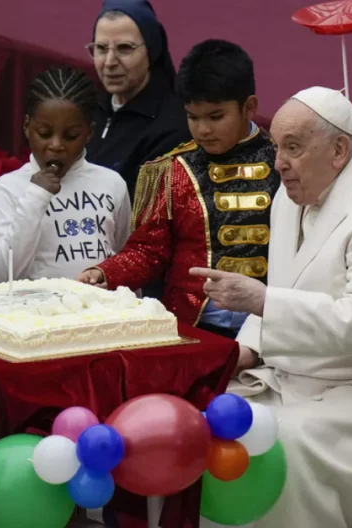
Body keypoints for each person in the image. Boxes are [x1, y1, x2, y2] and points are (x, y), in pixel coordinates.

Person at [190, 87, 352, 528]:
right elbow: (285, 288)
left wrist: (260, 301)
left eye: (292, 148)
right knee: (205, 421)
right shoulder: (289, 194)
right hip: (290, 373)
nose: (278, 164)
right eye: (276, 147)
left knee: (277, 444)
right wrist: (240, 352)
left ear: (338, 149)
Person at [78, 39, 280, 338]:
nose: (203, 129)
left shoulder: (283, 165)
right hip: (191, 326)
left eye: (215, 117)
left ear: (249, 107)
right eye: (192, 117)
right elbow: (148, 251)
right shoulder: (172, 170)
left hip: (269, 329)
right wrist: (105, 272)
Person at [0, 67, 131, 282]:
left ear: (89, 133)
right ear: (27, 126)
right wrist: (35, 197)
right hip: (35, 312)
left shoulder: (112, 183)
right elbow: (4, 275)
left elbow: (125, 261)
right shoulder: (8, 188)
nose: (56, 145)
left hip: (99, 312)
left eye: (71, 136)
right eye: (44, 133)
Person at [85, 0, 190, 200]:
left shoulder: (173, 129)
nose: (109, 62)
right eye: (101, 48)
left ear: (151, 51)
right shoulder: (85, 109)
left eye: (124, 48)